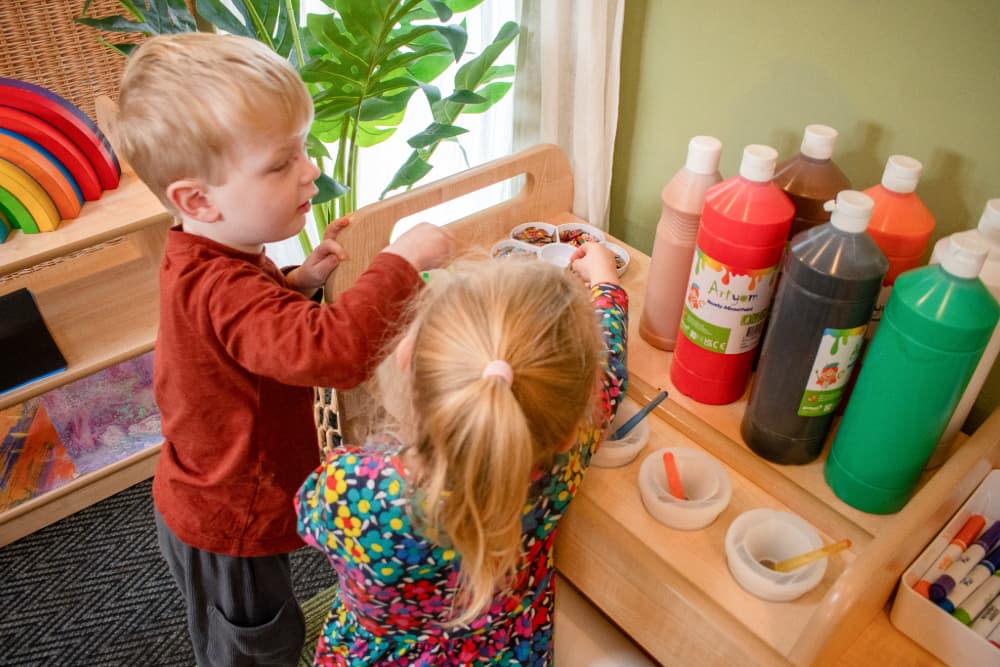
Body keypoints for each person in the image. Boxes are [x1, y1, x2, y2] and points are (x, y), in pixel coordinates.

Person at [114, 32, 452, 666]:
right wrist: (402, 260)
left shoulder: (206, 251)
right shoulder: (224, 284)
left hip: (211, 489)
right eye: (280, 163)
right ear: (197, 199)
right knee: (255, 644)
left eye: (302, 148)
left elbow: (240, 330)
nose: (310, 169)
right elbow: (336, 352)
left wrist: (298, 283)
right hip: (231, 518)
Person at [296, 242, 629, 665]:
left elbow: (308, 521)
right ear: (568, 434)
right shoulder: (563, 462)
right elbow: (608, 367)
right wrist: (606, 284)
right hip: (506, 653)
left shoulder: (351, 487)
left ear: (406, 357)